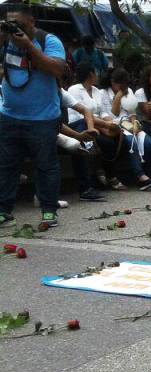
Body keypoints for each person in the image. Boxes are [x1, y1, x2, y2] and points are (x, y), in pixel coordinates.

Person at [0, 3, 67, 226]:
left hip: (42, 118)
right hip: (9, 116)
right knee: (6, 165)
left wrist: (29, 46)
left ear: (32, 22)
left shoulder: (49, 40)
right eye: (10, 22)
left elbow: (57, 69)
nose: (14, 27)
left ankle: (49, 210)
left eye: (18, 23)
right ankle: (3, 210)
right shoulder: (6, 41)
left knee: (46, 165)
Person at [96, 67, 151, 190]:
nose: (123, 88)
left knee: (150, 143)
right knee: (132, 142)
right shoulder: (103, 93)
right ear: (113, 82)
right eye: (121, 85)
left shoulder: (129, 91)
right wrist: (118, 97)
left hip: (129, 125)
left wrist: (134, 124)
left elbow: (132, 112)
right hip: (115, 126)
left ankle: (146, 173)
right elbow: (108, 116)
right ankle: (141, 177)